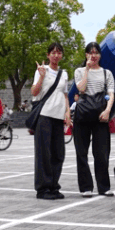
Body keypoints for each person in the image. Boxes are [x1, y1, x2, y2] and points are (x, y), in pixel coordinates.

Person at [31, 42, 72, 200]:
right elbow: (34, 92)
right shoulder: (42, 70)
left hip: (58, 117)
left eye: (59, 52)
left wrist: (67, 112)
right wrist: (41, 77)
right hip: (44, 116)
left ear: (62, 55)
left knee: (58, 153)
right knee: (44, 154)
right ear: (48, 55)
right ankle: (43, 189)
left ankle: (54, 186)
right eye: (53, 52)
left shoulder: (64, 74)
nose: (56, 55)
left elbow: (65, 95)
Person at [73, 42, 115, 197]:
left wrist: (108, 110)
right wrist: (87, 70)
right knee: (81, 152)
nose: (93, 55)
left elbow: (111, 94)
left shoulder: (107, 73)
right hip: (82, 116)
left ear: (100, 55)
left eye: (96, 52)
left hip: (100, 116)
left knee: (102, 152)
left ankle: (104, 187)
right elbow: (81, 89)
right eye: (90, 52)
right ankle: (86, 187)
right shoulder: (79, 71)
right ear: (86, 55)